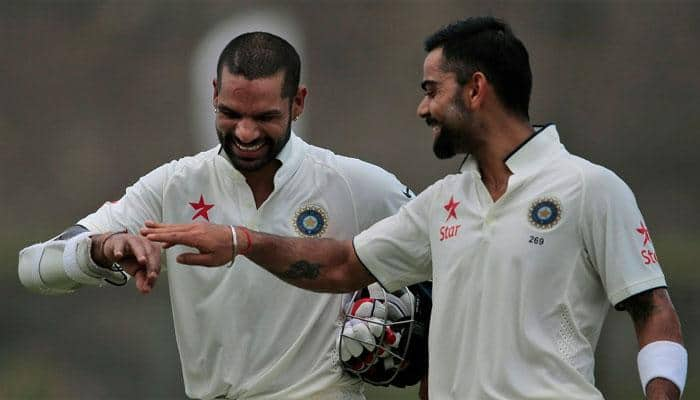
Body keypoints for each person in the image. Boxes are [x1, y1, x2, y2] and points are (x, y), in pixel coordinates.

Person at [141, 17, 687, 400]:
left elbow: (653, 310)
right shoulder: (442, 203)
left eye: (432, 89)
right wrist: (241, 240)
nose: (422, 107)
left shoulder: (590, 188)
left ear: (475, 90)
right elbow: (340, 265)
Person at [18, 32, 424, 400]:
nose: (245, 133)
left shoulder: (356, 184)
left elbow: (450, 250)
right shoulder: (173, 185)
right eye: (231, 113)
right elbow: (33, 268)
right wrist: (102, 248)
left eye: (264, 117)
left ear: (297, 102)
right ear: (214, 93)